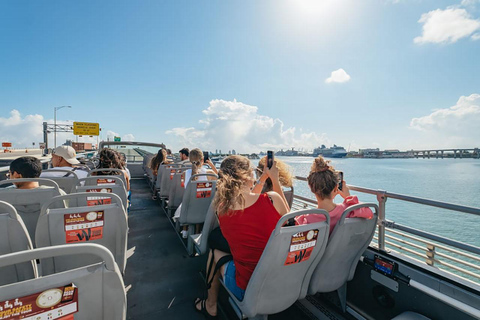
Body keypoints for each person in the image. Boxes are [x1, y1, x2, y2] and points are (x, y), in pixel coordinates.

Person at [194, 155, 289, 318]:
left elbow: (247, 204)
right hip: (282, 280)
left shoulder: (222, 209)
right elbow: (288, 219)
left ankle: (211, 305)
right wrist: (274, 180)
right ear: (248, 175)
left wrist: (261, 181)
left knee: (214, 253)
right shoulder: (273, 199)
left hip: (248, 285)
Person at [295, 156, 373, 233]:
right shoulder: (348, 210)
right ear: (336, 188)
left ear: (310, 187)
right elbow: (369, 213)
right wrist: (348, 197)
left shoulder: (305, 219)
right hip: (342, 245)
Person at [173, 148, 218, 238]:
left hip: (188, 207)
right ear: (202, 159)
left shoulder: (185, 173)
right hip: (204, 208)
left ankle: (185, 230)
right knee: (201, 201)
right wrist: (212, 166)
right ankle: (197, 231)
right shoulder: (210, 173)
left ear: (190, 160)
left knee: (192, 200)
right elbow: (219, 177)